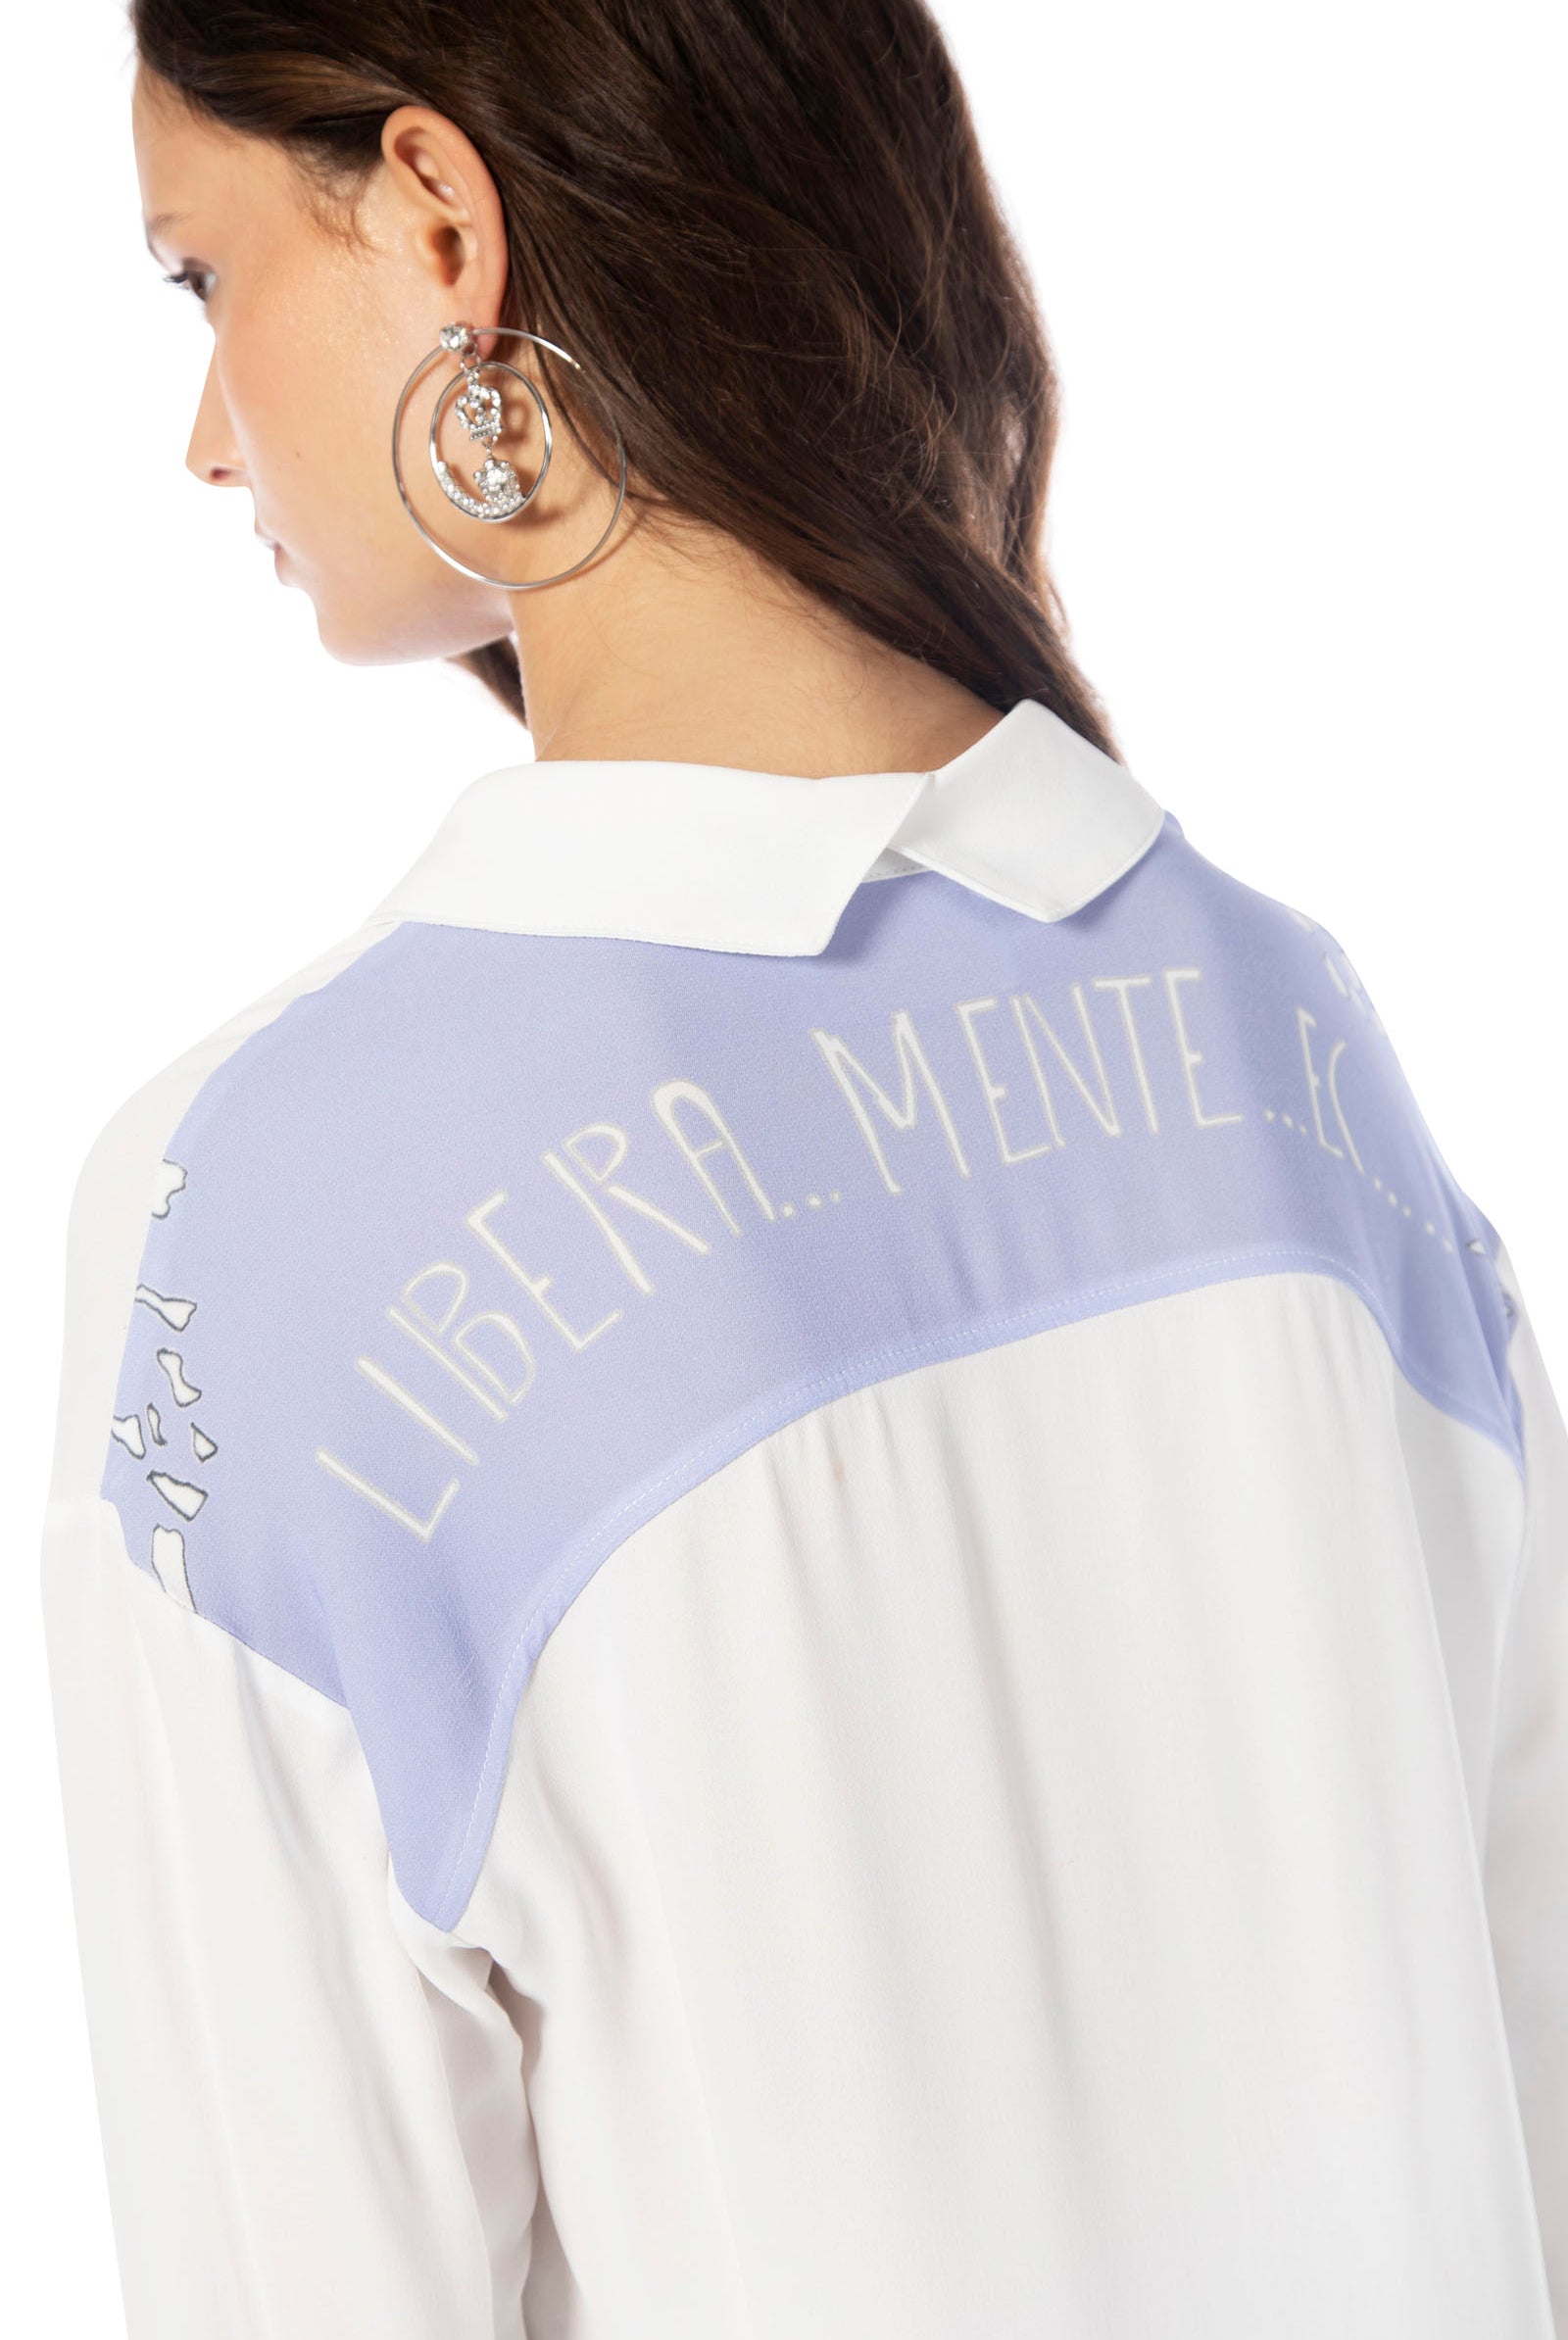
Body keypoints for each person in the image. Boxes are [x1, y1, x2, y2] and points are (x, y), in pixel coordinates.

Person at [39, 3, 1565, 2335]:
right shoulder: (1291, 1039)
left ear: (440, 222)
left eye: (202, 276)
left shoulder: (250, 1218)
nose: (203, 435)